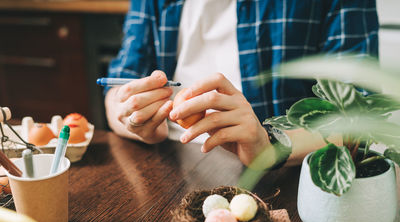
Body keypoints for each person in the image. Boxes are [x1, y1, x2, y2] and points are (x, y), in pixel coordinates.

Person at [104, 0, 378, 167]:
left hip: (286, 174)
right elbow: (117, 89)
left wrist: (271, 146)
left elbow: (359, 114)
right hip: (166, 157)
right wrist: (131, 116)